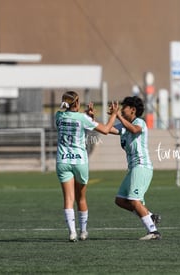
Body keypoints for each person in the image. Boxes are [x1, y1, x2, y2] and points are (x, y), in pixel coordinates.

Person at [56, 90, 118, 242]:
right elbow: (104, 130)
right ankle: (83, 231)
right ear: (76, 103)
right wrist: (114, 115)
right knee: (81, 198)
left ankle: (72, 233)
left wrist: (87, 116)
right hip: (80, 162)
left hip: (63, 160)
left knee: (68, 199)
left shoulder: (58, 116)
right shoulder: (82, 118)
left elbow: (73, 118)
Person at [109, 96, 162, 240]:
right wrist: (91, 119)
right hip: (133, 168)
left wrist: (117, 115)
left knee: (133, 200)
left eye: (124, 106)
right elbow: (107, 129)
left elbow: (133, 129)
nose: (122, 109)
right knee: (120, 200)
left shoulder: (140, 122)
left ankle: (153, 232)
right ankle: (149, 215)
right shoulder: (123, 125)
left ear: (133, 110)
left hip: (141, 166)